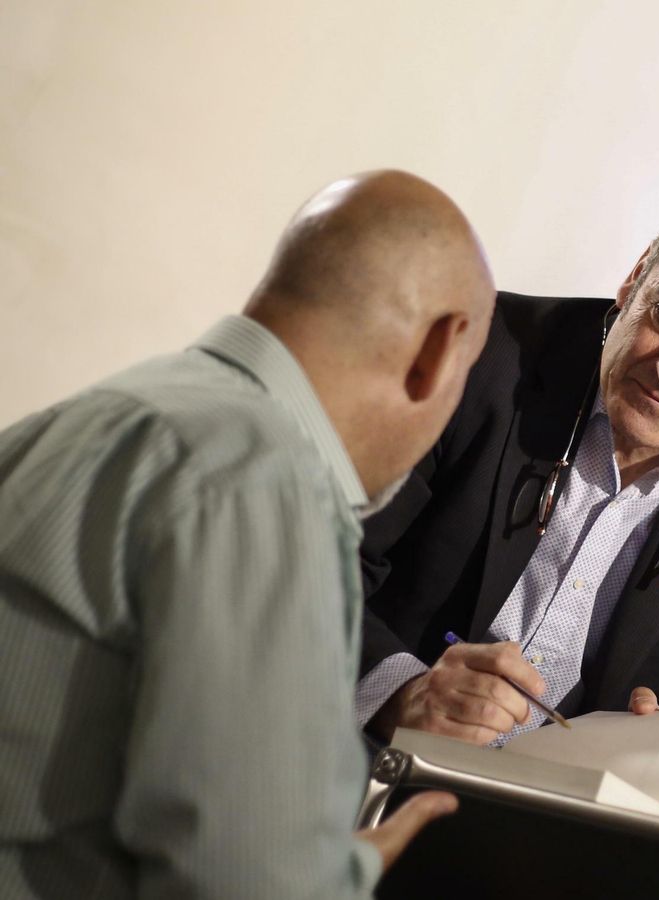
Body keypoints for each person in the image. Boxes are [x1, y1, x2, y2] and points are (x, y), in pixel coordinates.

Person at [0, 170, 496, 896]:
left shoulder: (92, 416)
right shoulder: (268, 486)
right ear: (439, 351)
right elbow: (250, 884)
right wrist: (347, 869)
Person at [356, 174, 659, 806]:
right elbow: (309, 566)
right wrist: (402, 694)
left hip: (537, 829)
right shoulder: (480, 351)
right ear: (635, 277)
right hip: (343, 763)